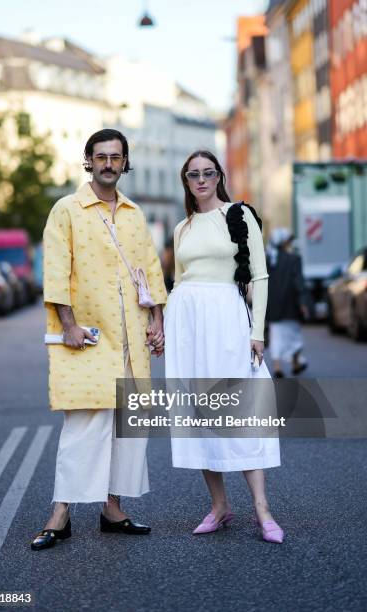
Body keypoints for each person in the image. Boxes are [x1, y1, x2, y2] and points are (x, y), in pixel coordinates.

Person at [31, 129, 167, 550]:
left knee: (128, 428)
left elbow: (149, 267)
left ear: (126, 163)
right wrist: (68, 325)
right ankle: (61, 512)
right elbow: (56, 270)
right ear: (88, 160)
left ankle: (113, 508)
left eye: (116, 157)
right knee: (84, 425)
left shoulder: (134, 213)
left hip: (132, 337)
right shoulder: (67, 210)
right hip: (90, 335)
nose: (109, 163)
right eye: (101, 157)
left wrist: (157, 320)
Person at [164, 150, 284, 543]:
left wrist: (258, 332)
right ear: (186, 181)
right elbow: (179, 282)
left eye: (208, 173)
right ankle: (219, 506)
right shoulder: (182, 228)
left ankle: (263, 510)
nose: (201, 180)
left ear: (219, 176)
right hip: (188, 322)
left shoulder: (239, 215)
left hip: (227, 317)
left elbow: (261, 276)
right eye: (193, 174)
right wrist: (160, 318)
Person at [266, 228, 309, 378]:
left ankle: (277, 367)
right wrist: (303, 303)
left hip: (273, 306)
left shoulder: (268, 259)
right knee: (294, 337)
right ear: (284, 242)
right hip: (292, 306)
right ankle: (296, 363)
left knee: (276, 336)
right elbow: (299, 282)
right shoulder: (294, 259)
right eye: (289, 240)